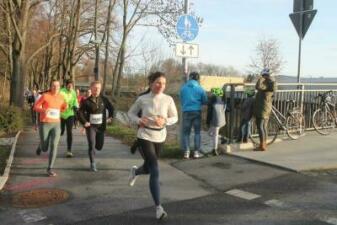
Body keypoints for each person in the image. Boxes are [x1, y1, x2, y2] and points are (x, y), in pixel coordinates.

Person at [127, 71, 178, 220]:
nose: (161, 86)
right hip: (144, 135)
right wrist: (139, 120)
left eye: (163, 83)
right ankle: (158, 208)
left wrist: (165, 121)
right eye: (158, 82)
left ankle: (135, 173)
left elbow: (175, 117)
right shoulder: (143, 99)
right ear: (151, 83)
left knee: (148, 169)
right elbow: (130, 114)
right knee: (155, 168)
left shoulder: (168, 99)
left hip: (160, 135)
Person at [78, 81, 114, 172]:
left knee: (99, 146)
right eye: (95, 88)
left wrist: (110, 116)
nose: (97, 89)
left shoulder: (104, 99)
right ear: (91, 88)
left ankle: (94, 154)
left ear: (100, 89)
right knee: (91, 145)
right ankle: (92, 164)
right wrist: (85, 122)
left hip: (101, 127)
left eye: (98, 88)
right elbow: (80, 112)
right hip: (91, 127)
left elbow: (111, 108)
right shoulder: (86, 101)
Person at [34, 80, 67, 177]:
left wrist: (65, 106)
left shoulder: (61, 97)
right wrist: (43, 110)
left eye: (57, 86)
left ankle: (50, 168)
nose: (56, 88)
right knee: (45, 148)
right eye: (53, 86)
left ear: (59, 87)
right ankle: (41, 145)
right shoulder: (45, 96)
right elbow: (35, 107)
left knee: (54, 145)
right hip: (45, 123)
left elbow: (62, 108)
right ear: (50, 87)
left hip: (56, 124)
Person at [180, 71, 208, 159]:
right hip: (197, 111)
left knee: (186, 133)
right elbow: (205, 101)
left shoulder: (183, 88)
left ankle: (186, 152)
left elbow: (181, 100)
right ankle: (196, 152)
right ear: (198, 79)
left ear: (190, 78)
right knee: (197, 133)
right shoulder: (200, 89)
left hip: (186, 112)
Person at [253, 68, 277, 151]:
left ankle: (262, 145)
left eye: (263, 75)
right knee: (264, 126)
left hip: (262, 108)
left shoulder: (267, 83)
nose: (262, 76)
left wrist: (261, 78)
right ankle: (264, 144)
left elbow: (258, 86)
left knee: (260, 126)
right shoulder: (271, 82)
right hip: (266, 107)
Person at [60, 79, 79, 157]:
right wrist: (64, 105)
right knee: (61, 132)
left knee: (69, 132)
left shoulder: (73, 92)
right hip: (61, 115)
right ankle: (51, 144)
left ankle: (69, 150)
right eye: (69, 85)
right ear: (66, 85)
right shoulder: (61, 91)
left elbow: (75, 101)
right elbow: (57, 101)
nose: (70, 87)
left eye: (71, 85)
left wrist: (75, 106)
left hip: (70, 115)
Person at [206, 87, 227, 156]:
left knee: (214, 135)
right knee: (210, 133)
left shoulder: (212, 102)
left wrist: (207, 122)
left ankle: (214, 149)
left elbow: (209, 113)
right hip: (222, 121)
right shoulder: (223, 101)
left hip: (215, 121)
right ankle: (222, 138)